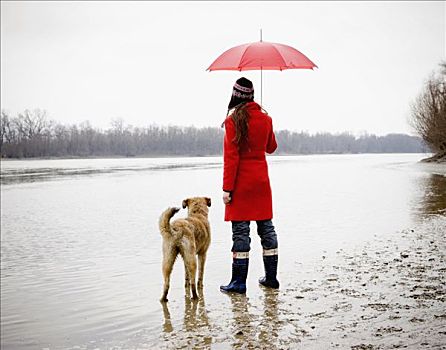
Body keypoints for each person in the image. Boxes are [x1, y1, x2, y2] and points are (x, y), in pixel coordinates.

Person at [220, 77, 279, 294]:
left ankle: (238, 283)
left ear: (235, 95)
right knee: (267, 229)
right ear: (252, 95)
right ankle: (271, 279)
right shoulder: (266, 119)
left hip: (241, 184)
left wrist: (227, 189)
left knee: (241, 233)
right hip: (261, 183)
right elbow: (271, 147)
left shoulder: (232, 122)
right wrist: (264, 123)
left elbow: (231, 159)